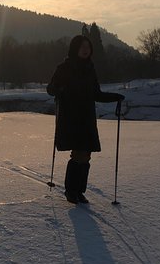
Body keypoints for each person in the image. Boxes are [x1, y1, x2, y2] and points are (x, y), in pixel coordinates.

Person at [47, 34, 124, 204]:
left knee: (86, 154)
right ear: (75, 49)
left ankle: (79, 191)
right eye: (82, 47)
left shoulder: (90, 69)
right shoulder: (64, 68)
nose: (85, 50)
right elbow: (50, 89)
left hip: (87, 117)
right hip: (70, 116)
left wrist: (115, 97)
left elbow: (96, 94)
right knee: (78, 154)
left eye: (88, 47)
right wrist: (60, 90)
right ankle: (71, 191)